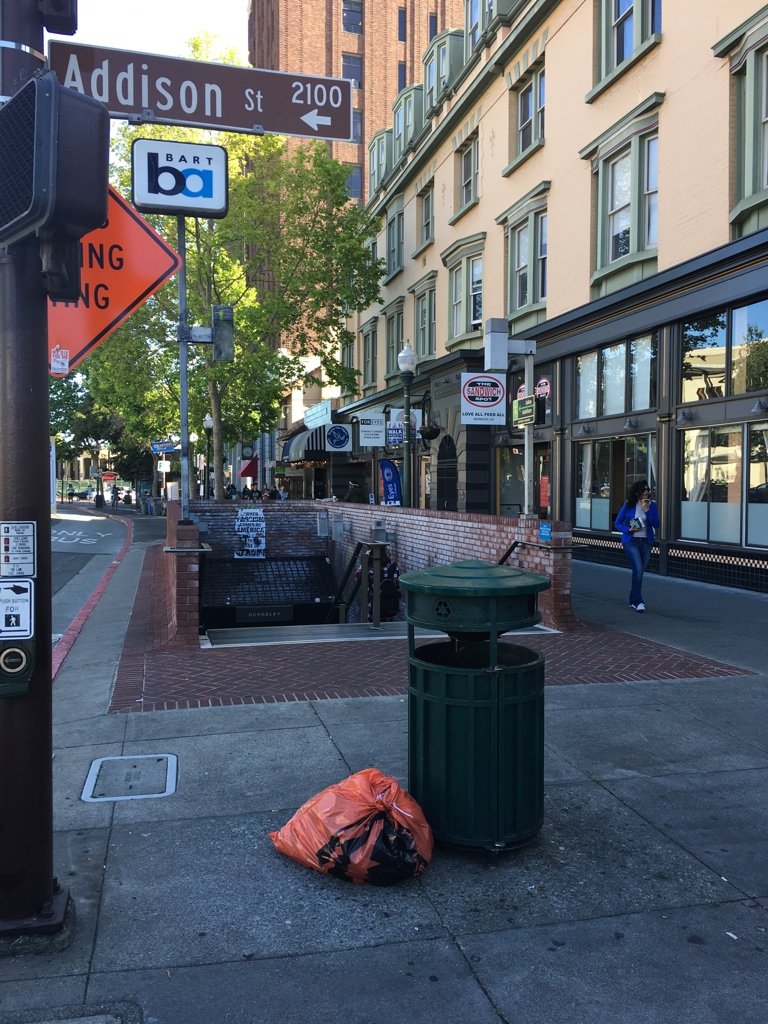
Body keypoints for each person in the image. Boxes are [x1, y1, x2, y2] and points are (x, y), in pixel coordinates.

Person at [614, 479, 659, 612]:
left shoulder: (653, 505)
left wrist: (646, 510)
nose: (647, 492)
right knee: (638, 570)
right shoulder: (629, 505)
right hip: (631, 542)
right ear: (637, 491)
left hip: (646, 542)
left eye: (648, 490)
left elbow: (656, 524)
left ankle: (633, 599)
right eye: (644, 490)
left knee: (639, 572)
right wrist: (628, 529)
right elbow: (617, 523)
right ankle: (638, 602)